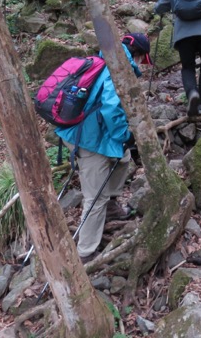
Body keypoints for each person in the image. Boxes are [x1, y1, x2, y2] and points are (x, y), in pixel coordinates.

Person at [55, 33, 151, 264]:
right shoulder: (116, 69)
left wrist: (123, 140)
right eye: (142, 60)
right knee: (94, 197)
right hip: (88, 139)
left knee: (125, 159)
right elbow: (110, 108)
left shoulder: (106, 61)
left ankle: (110, 205)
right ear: (137, 54)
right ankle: (86, 252)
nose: (141, 66)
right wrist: (124, 135)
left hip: (91, 132)